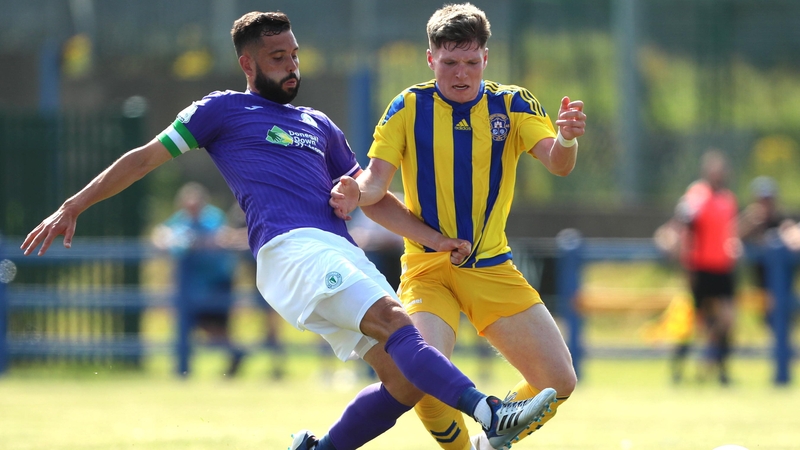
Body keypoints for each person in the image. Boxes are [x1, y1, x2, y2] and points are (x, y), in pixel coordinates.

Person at [20, 11, 556, 450]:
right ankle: (492, 412)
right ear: (247, 63)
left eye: (295, 55)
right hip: (293, 251)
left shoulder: (320, 124)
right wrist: (73, 204)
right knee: (397, 322)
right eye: (279, 58)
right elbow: (142, 159)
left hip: (336, 255)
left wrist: (433, 239)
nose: (292, 66)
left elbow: (374, 196)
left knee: (404, 383)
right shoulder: (221, 110)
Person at [330, 4, 581, 449]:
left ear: (487, 57)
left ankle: (492, 440)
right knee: (421, 371)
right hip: (428, 270)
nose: (460, 74)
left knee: (559, 381)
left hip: (492, 268)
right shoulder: (408, 106)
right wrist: (355, 190)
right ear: (430, 59)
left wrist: (565, 138)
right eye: (449, 63)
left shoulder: (513, 103)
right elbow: (375, 182)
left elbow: (558, 165)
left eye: (470, 62)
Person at [655, 150, 739, 385]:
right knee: (693, 320)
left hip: (722, 267)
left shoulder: (728, 199)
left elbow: (727, 232)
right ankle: (678, 369)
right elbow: (683, 227)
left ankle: (719, 367)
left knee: (727, 319)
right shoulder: (697, 196)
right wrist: (685, 265)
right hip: (700, 268)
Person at [151, 181, 245, 377]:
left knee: (217, 328)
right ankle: (188, 366)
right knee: (192, 325)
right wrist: (165, 239)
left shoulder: (213, 218)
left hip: (216, 282)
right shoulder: (180, 219)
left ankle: (235, 354)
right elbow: (160, 234)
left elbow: (222, 238)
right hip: (191, 286)